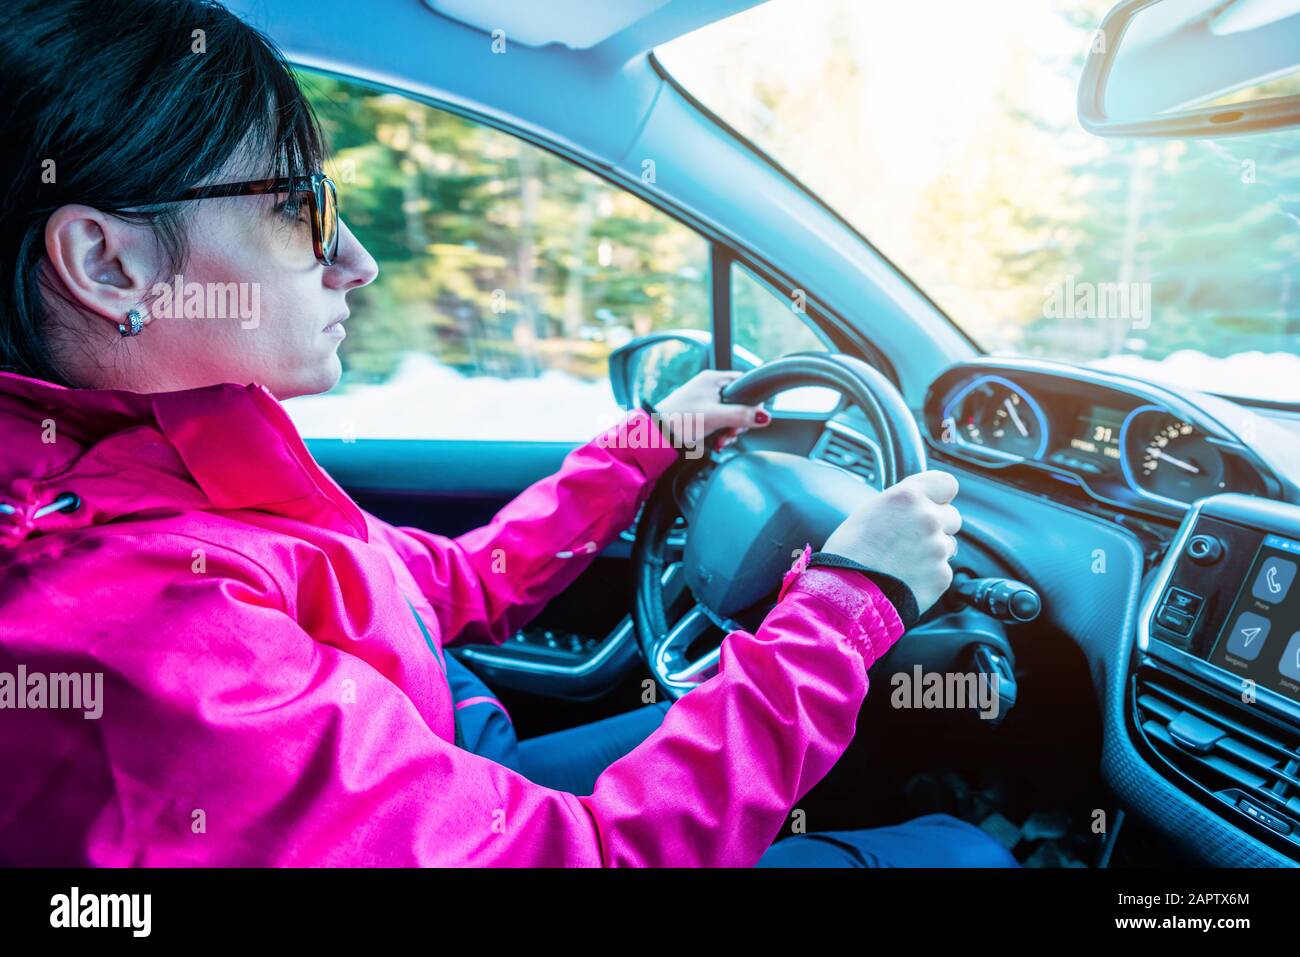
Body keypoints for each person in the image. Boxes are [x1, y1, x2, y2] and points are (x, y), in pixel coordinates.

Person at [0, 0, 1015, 868]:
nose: (355, 261)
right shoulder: (136, 628)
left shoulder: (180, 470)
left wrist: (646, 446)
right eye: (300, 207)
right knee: (964, 853)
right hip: (490, 814)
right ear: (109, 264)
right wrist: (852, 604)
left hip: (457, 783)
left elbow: (454, 585)